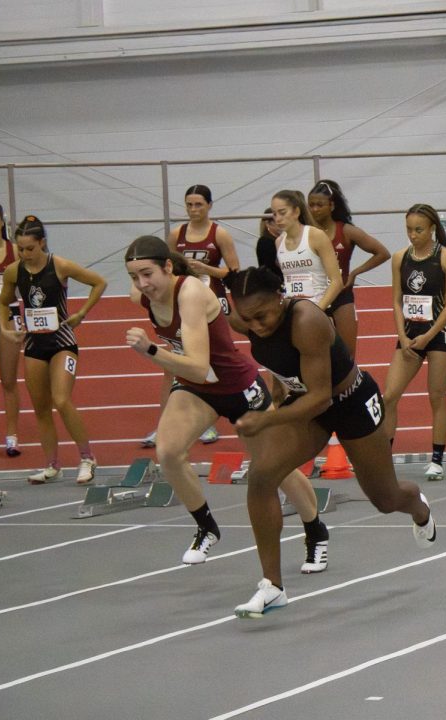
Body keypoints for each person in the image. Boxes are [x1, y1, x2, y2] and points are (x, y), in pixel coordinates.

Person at [225, 263, 436, 619]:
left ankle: (416, 504)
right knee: (261, 476)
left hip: (348, 400)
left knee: (385, 499)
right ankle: (272, 586)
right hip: (306, 407)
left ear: (281, 297)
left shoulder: (307, 320)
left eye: (261, 316)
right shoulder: (243, 319)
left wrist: (266, 419)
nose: (255, 326)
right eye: (248, 319)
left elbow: (320, 398)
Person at [123, 236, 325, 567]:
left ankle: (315, 531)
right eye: (134, 277)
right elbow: (195, 375)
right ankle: (206, 527)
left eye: (148, 274)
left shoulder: (188, 293)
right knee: (168, 452)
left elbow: (199, 365)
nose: (142, 284)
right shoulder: (143, 295)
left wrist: (150, 349)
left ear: (168, 267)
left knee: (274, 469)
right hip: (196, 388)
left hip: (237, 387)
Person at [0, 216, 105, 485]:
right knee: (41, 407)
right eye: (20, 249)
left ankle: (87, 458)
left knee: (61, 399)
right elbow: (3, 302)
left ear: (42, 243)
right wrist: (6, 328)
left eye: (30, 249)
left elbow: (99, 282)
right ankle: (52, 465)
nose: (25, 254)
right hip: (34, 345)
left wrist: (82, 312)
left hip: (62, 343)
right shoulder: (14, 271)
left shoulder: (60, 265)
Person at [141, 184, 239, 448]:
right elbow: (163, 267)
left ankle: (207, 423)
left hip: (210, 303)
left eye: (199, 205)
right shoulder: (177, 234)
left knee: (207, 364)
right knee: (171, 365)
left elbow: (233, 271)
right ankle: (165, 425)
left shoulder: (220, 234)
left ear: (209, 206)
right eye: (189, 205)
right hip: (181, 303)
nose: (194, 210)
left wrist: (206, 268)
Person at [384, 204, 446, 481]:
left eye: (418, 230)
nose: (413, 235)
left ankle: (437, 460)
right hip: (408, 334)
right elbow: (396, 299)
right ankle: (384, 457)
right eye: (408, 230)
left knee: (436, 396)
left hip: (438, 334)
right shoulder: (399, 258)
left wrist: (429, 335)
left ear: (431, 229)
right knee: (389, 396)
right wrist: (402, 336)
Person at [307, 179, 391, 357]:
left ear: (331, 205)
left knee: (347, 355)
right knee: (314, 352)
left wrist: (355, 273)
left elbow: (382, 253)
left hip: (341, 296)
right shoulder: (305, 233)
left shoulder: (346, 231)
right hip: (314, 296)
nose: (314, 209)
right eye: (311, 205)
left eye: (319, 205)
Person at [271, 189, 343, 311]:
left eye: (282, 213)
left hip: (318, 309)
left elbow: (337, 282)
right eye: (274, 214)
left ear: (296, 212)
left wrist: (318, 311)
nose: (278, 219)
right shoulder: (279, 242)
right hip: (292, 310)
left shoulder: (316, 236)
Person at [0, 202, 23, 457]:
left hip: (9, 315)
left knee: (9, 380)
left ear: (2, 222)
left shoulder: (15, 251)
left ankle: (11, 436)